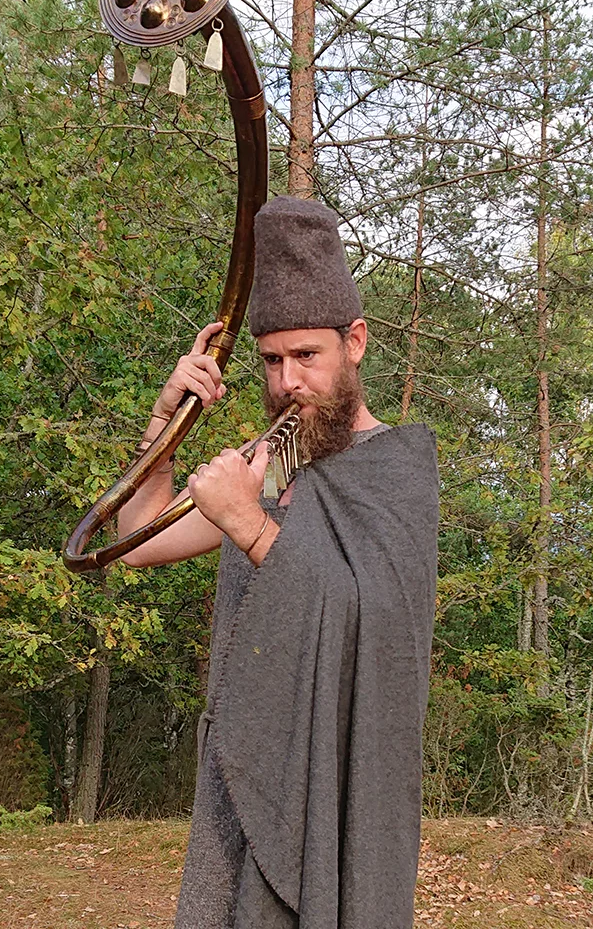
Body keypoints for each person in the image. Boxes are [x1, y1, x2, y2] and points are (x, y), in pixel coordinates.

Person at [119, 196, 439, 929]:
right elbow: (137, 539)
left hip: (337, 785)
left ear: (354, 342)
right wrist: (167, 418)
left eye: (307, 356)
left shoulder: (396, 465)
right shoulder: (268, 467)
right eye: (272, 359)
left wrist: (247, 523)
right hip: (246, 771)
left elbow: (376, 624)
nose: (288, 381)